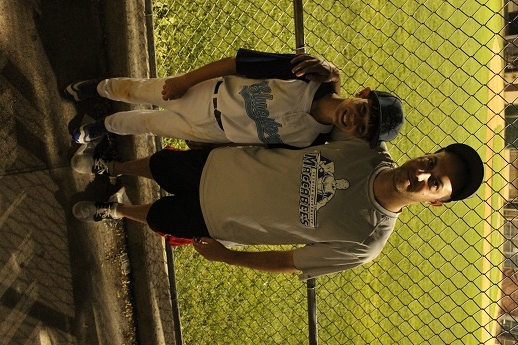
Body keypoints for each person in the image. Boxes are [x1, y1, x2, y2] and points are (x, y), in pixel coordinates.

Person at [72, 137, 484, 280]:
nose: (422, 173)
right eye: (432, 161)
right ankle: (115, 165)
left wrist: (230, 256)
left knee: (160, 217)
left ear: (435, 203)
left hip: (222, 219)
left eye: (436, 183)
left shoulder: (366, 242)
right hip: (224, 165)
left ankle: (116, 211)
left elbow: (292, 262)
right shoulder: (366, 148)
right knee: (161, 164)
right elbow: (322, 112)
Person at [64, 49, 404, 150]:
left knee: (148, 125)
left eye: (363, 128)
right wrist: (186, 79)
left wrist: (213, 145)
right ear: (362, 94)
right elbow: (236, 64)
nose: (356, 121)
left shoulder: (313, 140)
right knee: (141, 90)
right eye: (364, 110)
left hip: (213, 132)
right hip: (204, 94)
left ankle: (106, 126)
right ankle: (101, 88)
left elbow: (258, 149)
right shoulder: (303, 75)